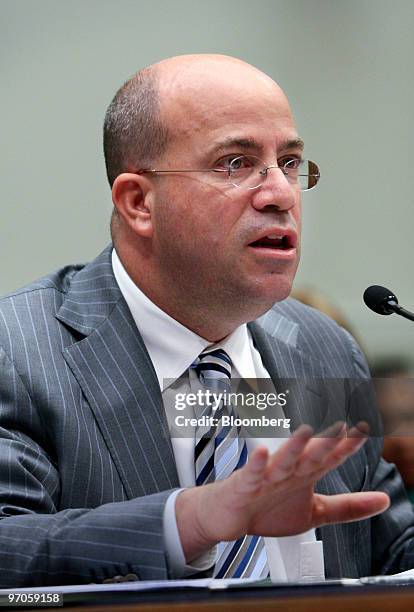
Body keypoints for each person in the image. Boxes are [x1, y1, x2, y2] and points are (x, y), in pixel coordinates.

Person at [0, 53, 413, 588]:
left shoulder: (320, 345)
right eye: (235, 164)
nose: (282, 194)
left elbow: (389, 546)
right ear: (138, 202)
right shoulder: (19, 351)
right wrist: (190, 522)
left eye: (289, 163)